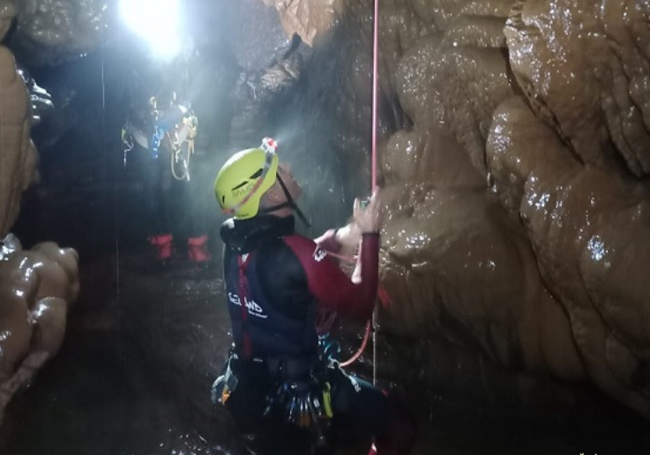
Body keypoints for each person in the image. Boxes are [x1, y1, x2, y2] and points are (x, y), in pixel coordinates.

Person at [211, 138, 415, 455]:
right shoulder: (298, 253)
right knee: (398, 420)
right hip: (297, 393)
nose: (289, 168)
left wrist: (339, 237)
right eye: (280, 170)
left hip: (246, 385)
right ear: (273, 194)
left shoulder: (235, 242)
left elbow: (290, 263)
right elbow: (360, 304)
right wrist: (371, 234)